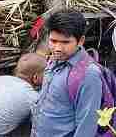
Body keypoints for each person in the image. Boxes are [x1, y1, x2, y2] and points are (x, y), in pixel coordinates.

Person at [32, 9, 103, 137]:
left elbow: (86, 127)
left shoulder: (88, 75)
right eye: (53, 41)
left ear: (80, 41)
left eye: (65, 42)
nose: (58, 48)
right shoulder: (54, 59)